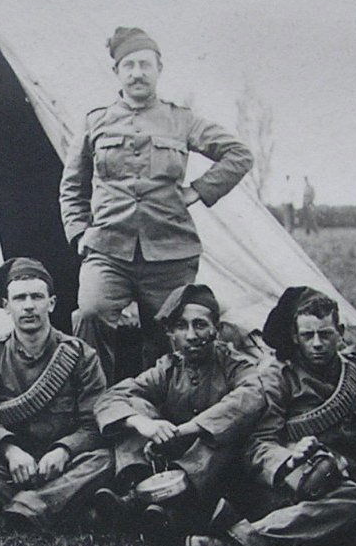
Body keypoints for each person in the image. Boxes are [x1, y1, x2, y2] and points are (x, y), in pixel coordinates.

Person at [59, 26, 253, 381]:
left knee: (174, 334)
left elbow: (238, 154)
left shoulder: (182, 120)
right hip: (108, 250)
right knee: (89, 313)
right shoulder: (95, 121)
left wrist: (198, 190)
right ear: (117, 72)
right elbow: (72, 185)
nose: (137, 73)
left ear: (159, 70)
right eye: (128, 65)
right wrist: (78, 233)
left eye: (145, 64)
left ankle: (167, 409)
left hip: (170, 252)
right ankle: (97, 407)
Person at [188, 287, 356, 546]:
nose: (317, 343)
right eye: (307, 335)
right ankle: (233, 543)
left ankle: (262, 541)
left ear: (340, 331)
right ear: (295, 336)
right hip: (289, 487)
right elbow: (259, 445)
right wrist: (291, 458)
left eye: (325, 334)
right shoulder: (278, 377)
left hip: (340, 486)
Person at [0, 257, 111, 532]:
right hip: (10, 468)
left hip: (63, 466)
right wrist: (10, 450)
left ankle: (12, 516)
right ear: (6, 306)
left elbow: (93, 423)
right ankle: (56, 511)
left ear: (51, 303)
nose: (28, 306)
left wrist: (64, 449)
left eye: (37, 297)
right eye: (19, 298)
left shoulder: (81, 356)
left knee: (106, 458)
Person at [92, 282, 266, 534]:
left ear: (216, 330)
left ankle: (160, 509)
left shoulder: (235, 365)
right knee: (135, 407)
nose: (192, 335)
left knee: (220, 435)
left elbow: (250, 396)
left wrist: (188, 429)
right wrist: (144, 424)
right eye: (181, 327)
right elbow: (110, 398)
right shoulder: (168, 368)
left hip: (218, 473)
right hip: (166, 465)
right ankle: (137, 492)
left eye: (200, 324)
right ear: (171, 334)